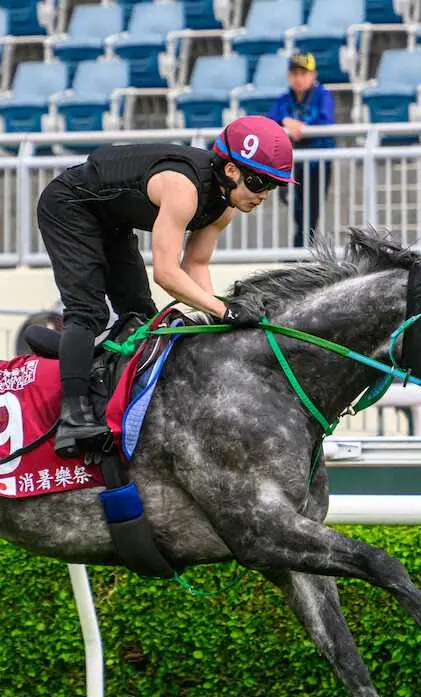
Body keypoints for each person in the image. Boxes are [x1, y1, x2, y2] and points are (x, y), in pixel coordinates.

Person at [37, 115, 295, 458]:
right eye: (260, 182)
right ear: (231, 170)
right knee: (89, 313)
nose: (264, 195)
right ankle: (73, 417)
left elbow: (195, 266)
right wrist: (227, 310)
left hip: (112, 219)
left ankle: (106, 389)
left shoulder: (224, 207)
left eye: (273, 186)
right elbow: (167, 274)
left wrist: (219, 316)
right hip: (68, 206)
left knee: (140, 316)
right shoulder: (183, 188)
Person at [267, 52, 336, 248]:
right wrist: (285, 122)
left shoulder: (323, 95)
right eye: (295, 73)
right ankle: (301, 251)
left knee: (311, 210)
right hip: (293, 163)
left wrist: (302, 127)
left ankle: (301, 251)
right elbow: (270, 119)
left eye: (304, 73)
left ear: (313, 75)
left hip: (317, 164)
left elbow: (326, 121)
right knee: (297, 209)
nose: (299, 78)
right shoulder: (284, 98)